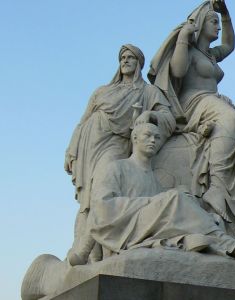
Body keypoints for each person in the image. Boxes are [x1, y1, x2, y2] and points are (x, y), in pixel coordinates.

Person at [69, 123, 235, 264]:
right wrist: (151, 203)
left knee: (187, 201)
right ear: (135, 138)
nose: (153, 140)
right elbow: (102, 208)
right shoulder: (116, 168)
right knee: (174, 198)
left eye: (157, 137)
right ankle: (231, 246)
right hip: (126, 229)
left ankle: (214, 242)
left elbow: (163, 211)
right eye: (147, 135)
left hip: (151, 228)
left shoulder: (155, 181)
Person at [65, 44, 176, 264]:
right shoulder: (102, 91)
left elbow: (168, 117)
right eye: (122, 58)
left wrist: (147, 115)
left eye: (130, 58)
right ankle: (87, 254)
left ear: (138, 64)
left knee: (104, 192)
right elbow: (83, 121)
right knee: (88, 199)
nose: (125, 61)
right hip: (90, 143)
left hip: (116, 144)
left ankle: (101, 252)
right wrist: (71, 149)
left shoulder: (147, 91)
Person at [148, 0, 235, 223]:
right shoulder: (189, 51)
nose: (218, 27)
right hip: (193, 102)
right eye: (214, 22)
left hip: (211, 100)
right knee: (231, 117)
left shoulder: (210, 54)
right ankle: (217, 187)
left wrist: (226, 15)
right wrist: (182, 38)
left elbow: (229, 45)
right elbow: (177, 71)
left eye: (219, 23)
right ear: (200, 24)